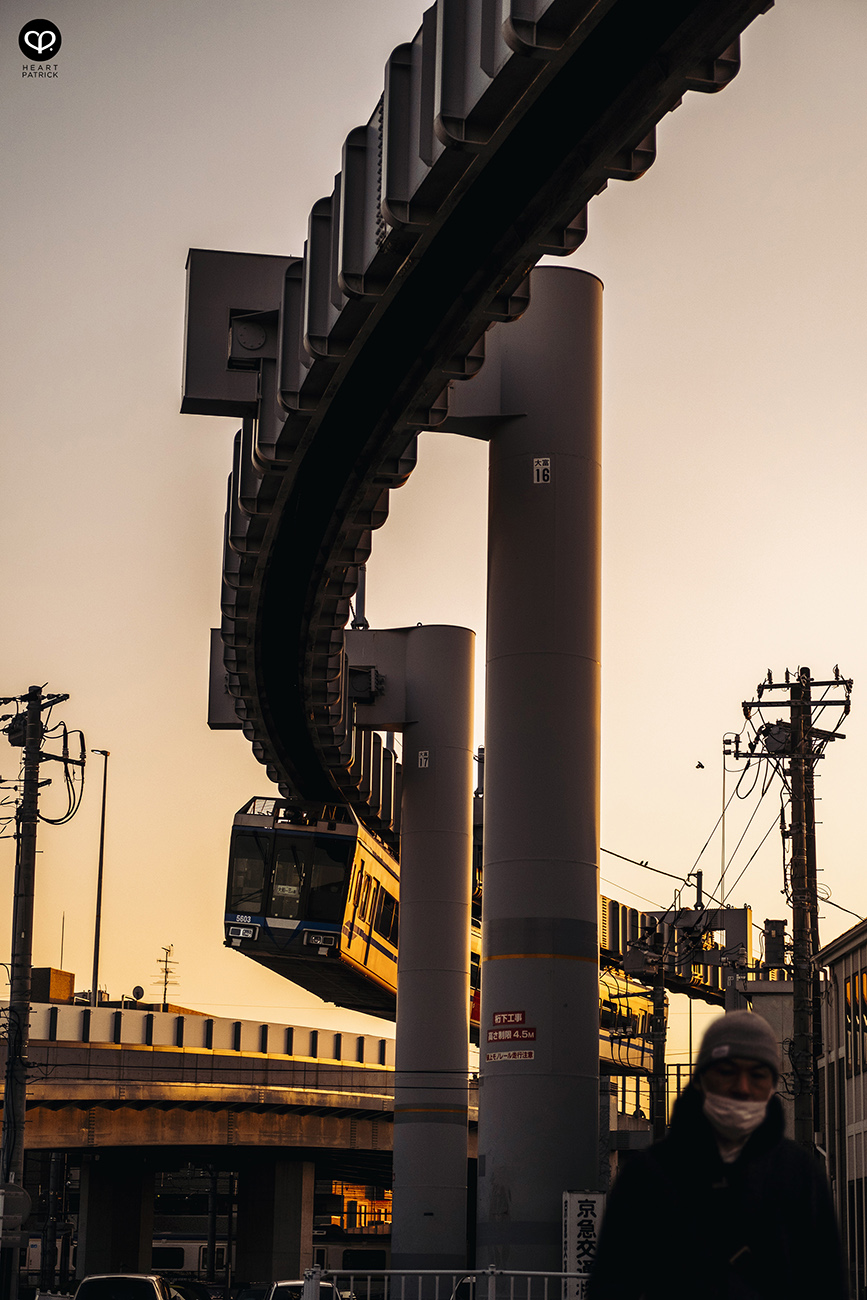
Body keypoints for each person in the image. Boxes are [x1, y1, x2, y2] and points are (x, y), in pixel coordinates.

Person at [587, 1009, 847, 1300]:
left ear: (772, 1085)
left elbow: (826, 1281)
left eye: (758, 1075)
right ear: (701, 1080)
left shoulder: (799, 1173)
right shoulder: (648, 1175)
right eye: (727, 1072)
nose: (742, 1087)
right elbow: (611, 1284)